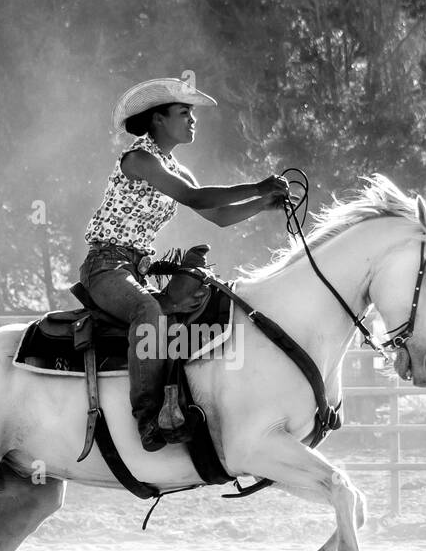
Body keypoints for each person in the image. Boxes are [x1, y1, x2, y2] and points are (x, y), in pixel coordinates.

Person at [79, 77, 290, 452]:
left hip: (136, 267)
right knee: (147, 308)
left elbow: (219, 215)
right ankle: (148, 418)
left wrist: (263, 204)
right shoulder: (139, 158)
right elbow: (194, 197)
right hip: (105, 266)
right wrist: (258, 187)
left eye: (192, 113)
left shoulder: (172, 166)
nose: (193, 119)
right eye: (183, 112)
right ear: (158, 119)